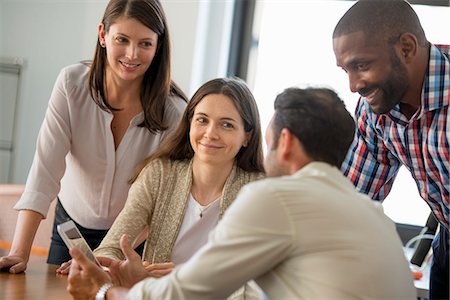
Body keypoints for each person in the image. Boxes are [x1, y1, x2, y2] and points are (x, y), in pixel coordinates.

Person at [66, 87, 416, 300]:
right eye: (201, 120)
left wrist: (104, 293)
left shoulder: (272, 196)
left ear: (285, 141)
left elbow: (190, 292)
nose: (210, 133)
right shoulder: (374, 213)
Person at [0, 0, 187, 273]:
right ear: (103, 35)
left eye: (145, 44)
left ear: (158, 46)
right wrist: (19, 252)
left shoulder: (175, 113)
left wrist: (103, 257)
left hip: (130, 241)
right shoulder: (71, 84)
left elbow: (162, 202)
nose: (132, 54)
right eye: (122, 39)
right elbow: (44, 171)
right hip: (70, 229)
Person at [71, 77, 265, 299]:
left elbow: (253, 286)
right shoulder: (160, 174)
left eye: (226, 124)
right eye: (202, 120)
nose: (210, 133)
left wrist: (179, 283)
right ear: (190, 123)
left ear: (247, 137)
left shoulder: (261, 191)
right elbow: (110, 248)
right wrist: (116, 270)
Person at [332, 1, 449, 298]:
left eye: (361, 65)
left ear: (407, 48)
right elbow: (355, 202)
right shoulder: (375, 111)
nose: (353, 85)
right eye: (346, 69)